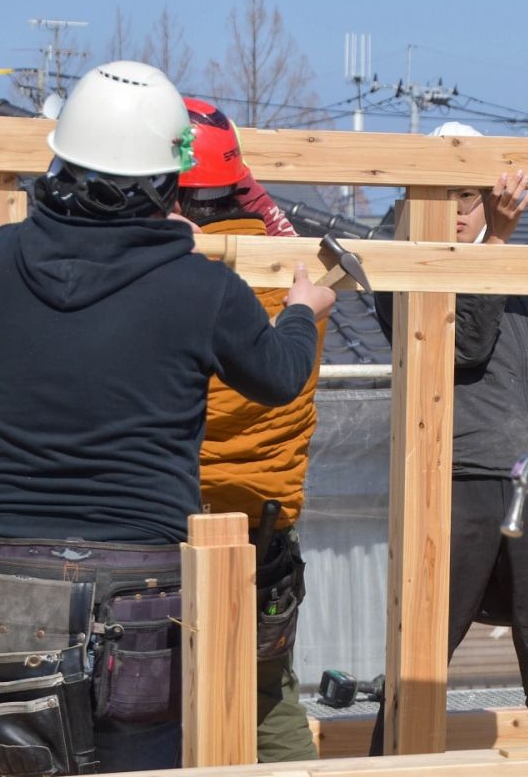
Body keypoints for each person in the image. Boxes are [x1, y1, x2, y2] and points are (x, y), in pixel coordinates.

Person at [0, 61, 334, 774]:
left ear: (62, 158)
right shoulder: (200, 288)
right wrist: (300, 314)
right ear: (167, 187)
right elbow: (278, 376)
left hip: (6, 575)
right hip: (134, 590)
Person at [369, 121, 528, 754]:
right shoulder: (399, 255)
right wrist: (496, 237)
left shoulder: (514, 263)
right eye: (438, 195)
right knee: (425, 647)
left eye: (466, 198)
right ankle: (385, 764)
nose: (451, 213)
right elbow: (463, 346)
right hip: (459, 475)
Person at [179, 96, 323, 763]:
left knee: (159, 705)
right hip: (269, 536)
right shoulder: (298, 279)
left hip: (181, 535)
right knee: (269, 700)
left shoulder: (180, 286)